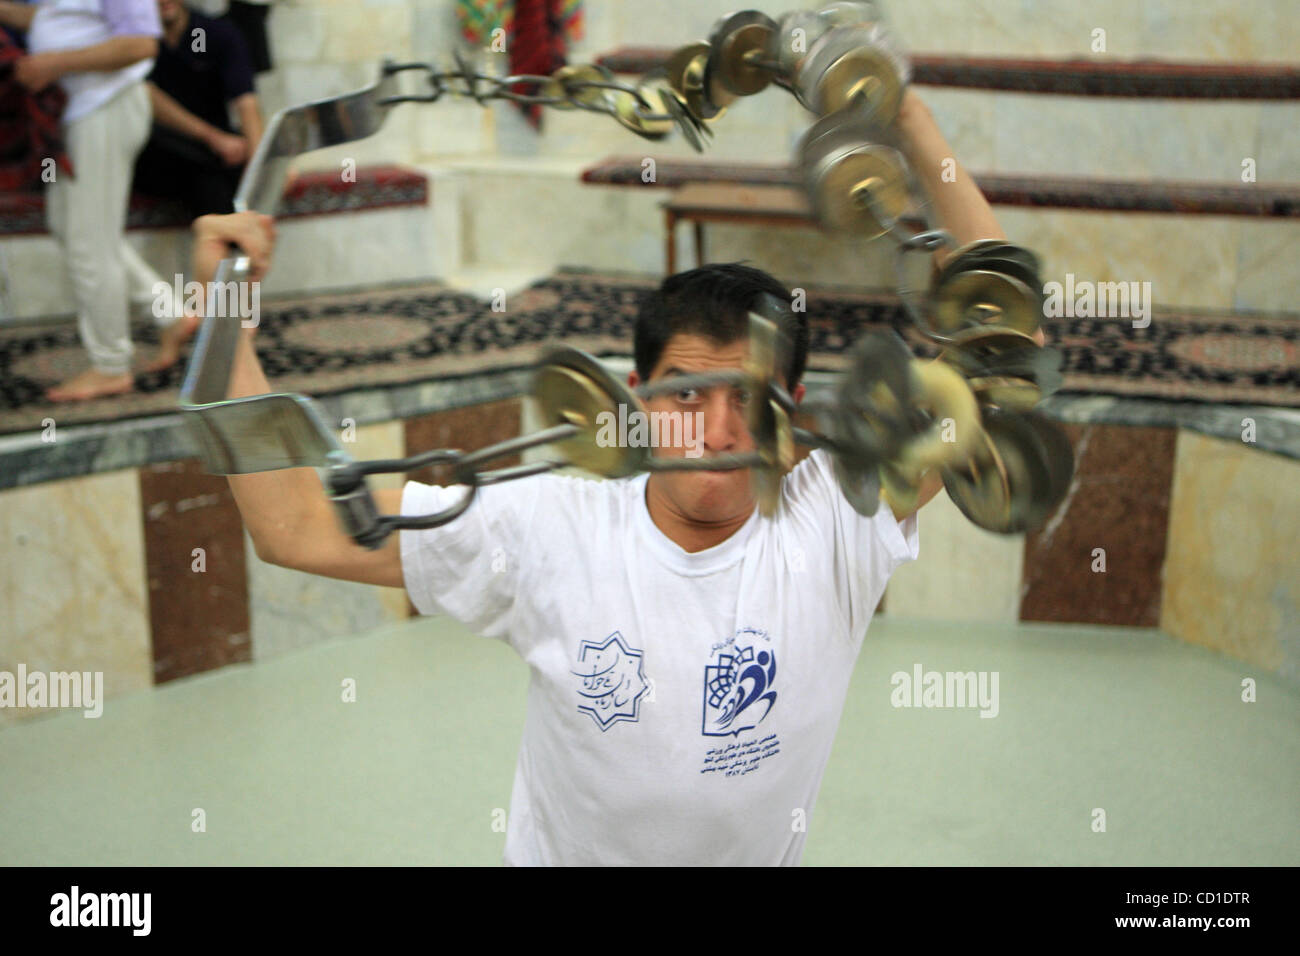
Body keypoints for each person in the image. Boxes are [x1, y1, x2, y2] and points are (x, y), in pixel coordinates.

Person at [189, 88, 1040, 865]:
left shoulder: (836, 513)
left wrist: (908, 121)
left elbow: (1007, 357)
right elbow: (294, 524)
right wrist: (226, 315)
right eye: (686, 394)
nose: (714, 431)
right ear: (635, 398)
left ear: (793, 402)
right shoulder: (551, 525)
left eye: (748, 398)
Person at [0, 0, 163, 402]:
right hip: (79, 115)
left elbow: (141, 44)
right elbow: (52, 18)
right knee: (69, 226)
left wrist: (52, 64)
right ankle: (170, 312)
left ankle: (111, 365)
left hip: (104, 107)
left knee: (91, 244)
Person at [120, 0, 264, 371]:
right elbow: (147, 99)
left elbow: (246, 102)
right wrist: (212, 138)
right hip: (159, 153)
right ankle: (228, 313)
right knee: (211, 172)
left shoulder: (216, 35)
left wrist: (262, 165)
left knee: (218, 183)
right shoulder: (133, 40)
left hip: (209, 163)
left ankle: (225, 313)